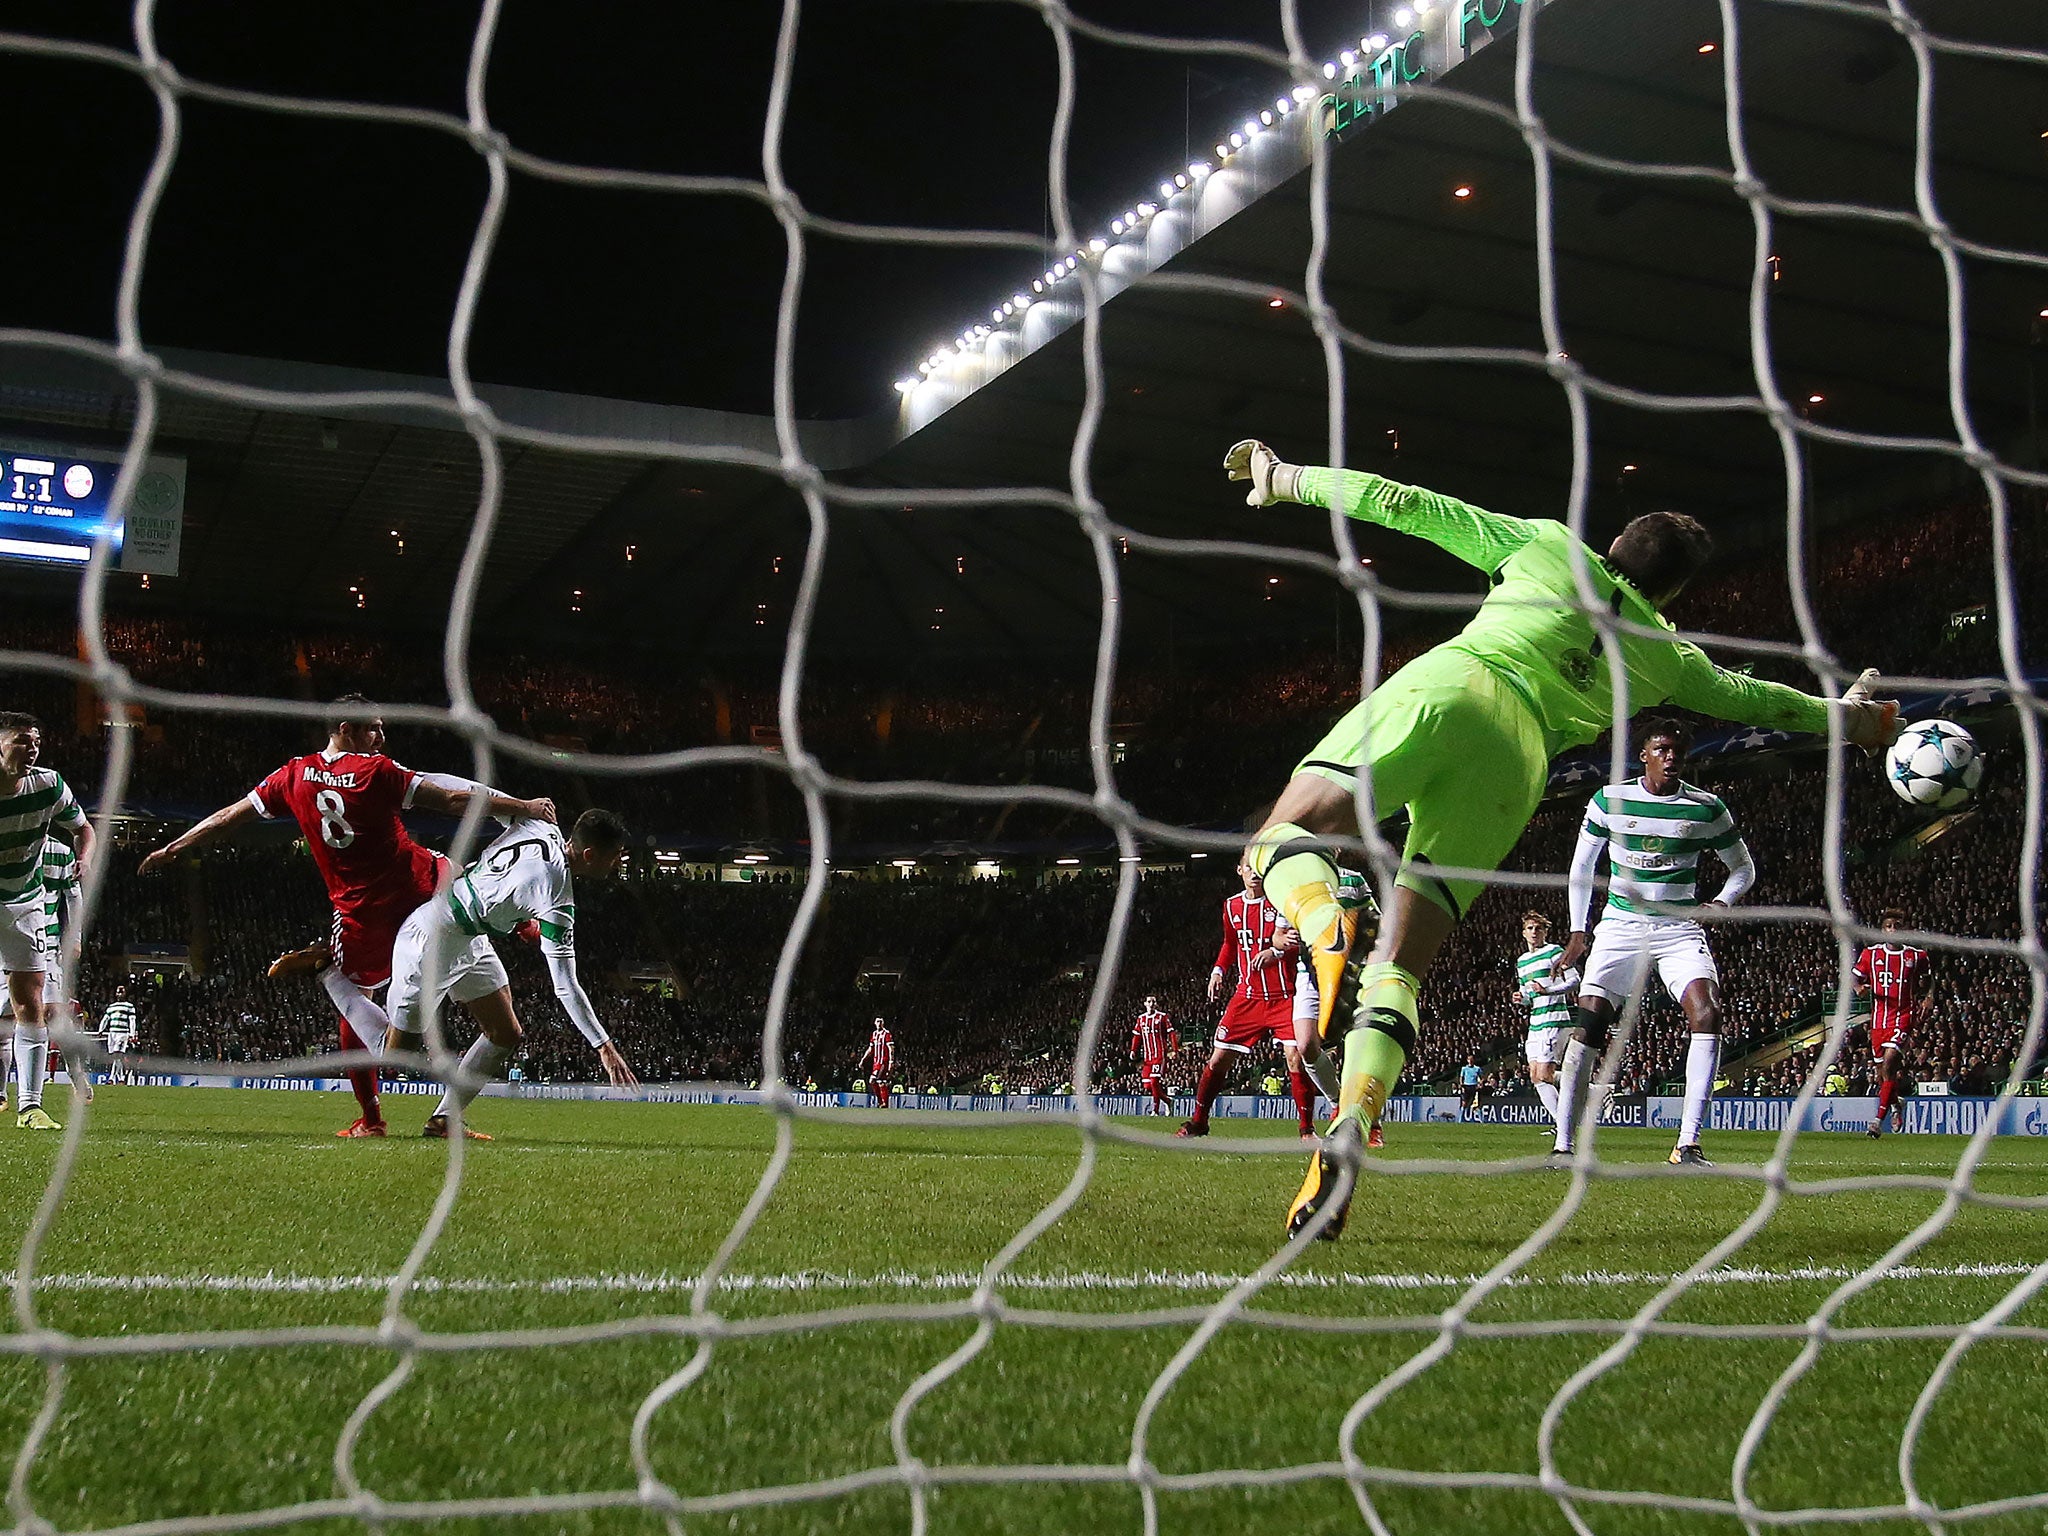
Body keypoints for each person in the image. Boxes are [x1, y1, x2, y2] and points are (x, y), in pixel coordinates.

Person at [1214, 443, 1898, 1240]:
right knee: (1398, 968)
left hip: (1458, 684)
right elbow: (1759, 700)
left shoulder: (1547, 546)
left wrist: (1284, 478)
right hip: (1518, 764)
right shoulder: (1669, 656)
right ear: (1671, 592)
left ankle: (1322, 908)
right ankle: (1351, 1133)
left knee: (1282, 834)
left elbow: (1400, 500)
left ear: (1612, 547)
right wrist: (1851, 723)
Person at [139, 695, 553, 1138]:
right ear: (345, 729)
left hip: (370, 911)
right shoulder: (377, 771)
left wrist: (174, 848)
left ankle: (413, 1118)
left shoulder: (292, 776)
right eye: (373, 728)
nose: (381, 737)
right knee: (397, 1038)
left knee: (500, 1027)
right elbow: (451, 800)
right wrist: (521, 807)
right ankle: (329, 981)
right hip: (418, 890)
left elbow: (229, 817)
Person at [351, 807, 638, 1138]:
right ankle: (329, 973)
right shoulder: (558, 897)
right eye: (616, 856)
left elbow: (489, 816)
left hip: (471, 937)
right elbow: (565, 986)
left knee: (505, 1033)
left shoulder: (540, 825)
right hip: (432, 938)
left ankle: (444, 1120)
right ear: (589, 855)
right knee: (395, 1054)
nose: (619, 863)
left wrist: (520, 804)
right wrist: (604, 1046)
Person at [1554, 719, 1754, 1167]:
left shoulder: (1706, 808)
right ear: (1643, 754)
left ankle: (1688, 1144)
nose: (1671, 756)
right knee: (1589, 1022)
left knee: (1708, 1013)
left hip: (1678, 928)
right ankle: (1564, 1145)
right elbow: (1582, 867)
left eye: (1678, 750)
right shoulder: (1610, 799)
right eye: (1662, 748)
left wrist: (1722, 902)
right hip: (1620, 926)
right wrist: (1577, 931)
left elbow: (1744, 868)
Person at [0, 714, 96, 1131]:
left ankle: (30, 1107)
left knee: (32, 1003)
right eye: (22, 741)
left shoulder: (49, 784)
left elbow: (83, 829)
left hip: (24, 903)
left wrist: (84, 857)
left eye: (36, 742)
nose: (32, 748)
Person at [1181, 860, 1315, 1140]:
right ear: (1239, 870)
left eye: (1259, 868)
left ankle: (1306, 1130)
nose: (1254, 873)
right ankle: (1198, 1122)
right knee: (1217, 1060)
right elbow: (1230, 943)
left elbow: (1294, 941)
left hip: (1284, 996)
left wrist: (1275, 953)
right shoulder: (1231, 906)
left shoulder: (1280, 903)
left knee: (1295, 1057)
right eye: (1248, 867)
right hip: (1248, 997)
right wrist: (1218, 971)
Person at [1854, 908, 1930, 1139]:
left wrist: (1929, 997)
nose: (1893, 930)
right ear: (1883, 930)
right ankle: (1897, 1104)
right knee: (1883, 1075)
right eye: (1889, 926)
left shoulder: (1916, 956)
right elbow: (1855, 977)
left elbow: (1928, 979)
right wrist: (1859, 988)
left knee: (1888, 1065)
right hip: (1878, 1021)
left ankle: (1877, 1122)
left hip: (1904, 1016)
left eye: (1897, 926)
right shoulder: (1870, 954)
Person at [1515, 911, 1578, 1136]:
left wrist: (1548, 990)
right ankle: (1566, 1121)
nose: (1534, 932)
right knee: (1537, 1077)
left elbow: (1574, 980)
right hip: (1535, 1022)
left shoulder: (1554, 952)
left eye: (1538, 928)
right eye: (1530, 928)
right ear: (1524, 933)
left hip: (1555, 1019)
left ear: (1545, 932)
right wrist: (1520, 998)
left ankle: (1564, 1128)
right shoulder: (1522, 961)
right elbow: (1529, 995)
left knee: (1543, 1075)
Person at [1129, 995, 1179, 1116]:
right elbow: (1137, 1036)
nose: (1151, 1003)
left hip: (1159, 1056)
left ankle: (1155, 1110)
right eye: (1149, 1001)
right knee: (1147, 1085)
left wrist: (1175, 1050)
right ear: (1145, 1004)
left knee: (1154, 1082)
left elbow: (1171, 1033)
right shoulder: (1141, 1019)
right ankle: (1167, 1100)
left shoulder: (1162, 1017)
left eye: (1153, 1002)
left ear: (1156, 1004)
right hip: (1147, 1058)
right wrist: (1133, 1050)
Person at [101, 984, 138, 1085]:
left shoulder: (129, 1006)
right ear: (116, 994)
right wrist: (101, 1030)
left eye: (122, 991)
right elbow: (106, 1019)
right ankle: (121, 1078)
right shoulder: (111, 1007)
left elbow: (132, 1021)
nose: (120, 993)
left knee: (118, 1054)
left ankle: (112, 1078)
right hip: (112, 1033)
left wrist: (132, 1034)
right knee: (115, 1057)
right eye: (119, 991)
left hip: (122, 1033)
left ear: (125, 993)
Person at [858, 1017, 895, 1108]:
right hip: (876, 1062)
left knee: (876, 1080)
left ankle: (883, 1102)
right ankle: (882, 1102)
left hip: (883, 1062)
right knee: (878, 1081)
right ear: (874, 1023)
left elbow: (891, 1048)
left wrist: (891, 1061)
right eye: (877, 1021)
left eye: (881, 1022)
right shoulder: (874, 1034)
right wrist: (863, 1059)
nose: (879, 1023)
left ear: (883, 1023)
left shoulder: (886, 1034)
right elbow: (870, 1049)